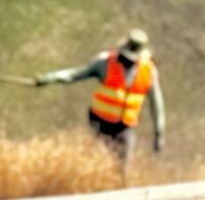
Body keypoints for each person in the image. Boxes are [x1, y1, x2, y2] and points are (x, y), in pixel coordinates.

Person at [38, 28, 166, 184]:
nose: (127, 61)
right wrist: (50, 78)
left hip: (124, 127)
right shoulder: (105, 62)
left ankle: (119, 194)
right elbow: (76, 74)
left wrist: (159, 133)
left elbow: (156, 104)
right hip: (99, 122)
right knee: (97, 160)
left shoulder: (148, 71)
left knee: (121, 167)